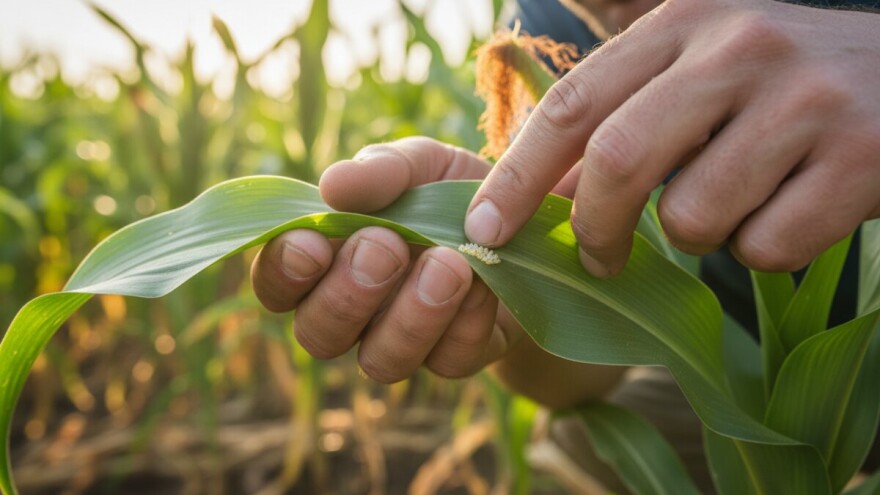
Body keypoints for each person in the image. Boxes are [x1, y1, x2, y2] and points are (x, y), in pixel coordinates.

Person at [251, 0, 880, 491]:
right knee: (575, 450)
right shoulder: (544, 24)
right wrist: (528, 288)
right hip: (737, 380)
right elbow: (576, 384)